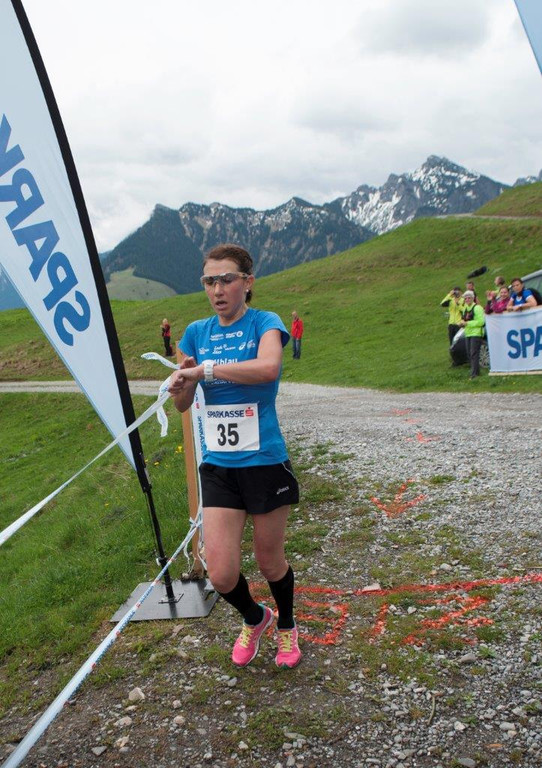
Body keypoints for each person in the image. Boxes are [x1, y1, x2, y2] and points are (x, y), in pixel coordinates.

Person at [168, 243, 302, 670]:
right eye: (210, 281)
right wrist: (183, 383)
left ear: (247, 282)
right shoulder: (196, 333)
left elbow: (268, 368)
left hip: (264, 461)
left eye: (227, 279)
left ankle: (287, 626)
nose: (218, 289)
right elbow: (183, 405)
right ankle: (256, 618)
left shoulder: (265, 323)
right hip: (220, 465)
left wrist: (205, 370)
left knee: (269, 561)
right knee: (221, 573)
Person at [459, 290, 485, 379]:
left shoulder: (477, 308)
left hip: (476, 333)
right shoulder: (465, 309)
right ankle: (475, 371)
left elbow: (481, 322)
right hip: (468, 333)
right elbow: (464, 319)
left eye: (469, 298)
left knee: (474, 353)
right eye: (465, 298)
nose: (467, 300)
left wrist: (467, 323)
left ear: (473, 298)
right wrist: (461, 323)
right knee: (469, 354)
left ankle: (474, 374)